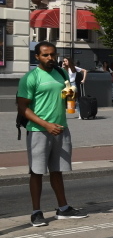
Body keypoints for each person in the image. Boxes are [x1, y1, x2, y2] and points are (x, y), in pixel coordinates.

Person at [16, 41, 89, 227]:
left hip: (61, 129)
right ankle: (36, 212)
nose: (50, 58)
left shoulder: (61, 73)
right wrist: (46, 125)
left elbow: (68, 97)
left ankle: (63, 208)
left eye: (53, 55)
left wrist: (71, 96)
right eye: (46, 55)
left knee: (57, 171)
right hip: (39, 131)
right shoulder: (31, 77)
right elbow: (22, 108)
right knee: (36, 172)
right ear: (37, 57)